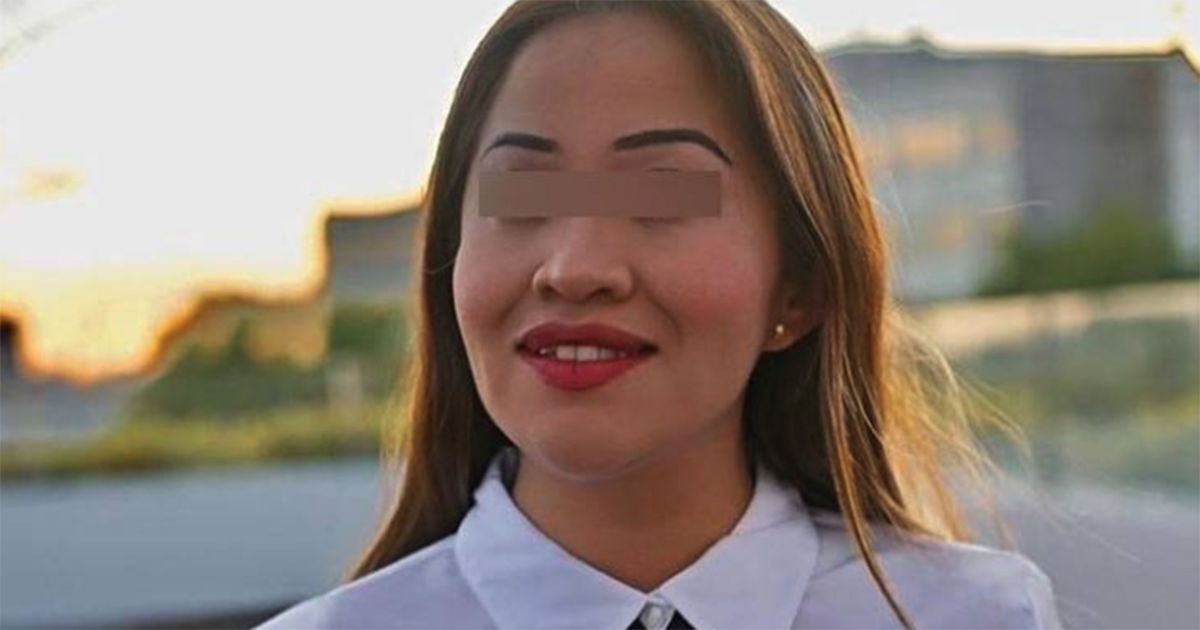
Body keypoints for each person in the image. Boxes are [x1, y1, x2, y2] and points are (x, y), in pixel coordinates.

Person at [258, 0, 1062, 628]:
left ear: (800, 289)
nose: (575, 269)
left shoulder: (975, 617)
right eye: (523, 195)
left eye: (663, 194)